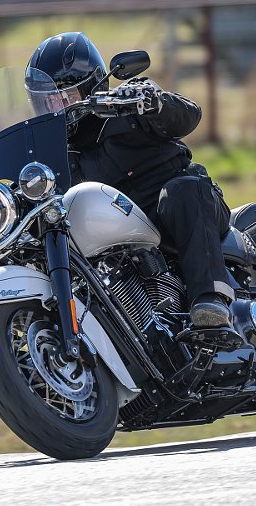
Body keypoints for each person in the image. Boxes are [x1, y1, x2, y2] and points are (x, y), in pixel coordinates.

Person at [25, 32, 233, 328]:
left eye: (65, 97)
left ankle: (210, 299)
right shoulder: (53, 157)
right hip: (121, 239)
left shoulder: (130, 102)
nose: (57, 109)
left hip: (179, 212)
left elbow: (190, 116)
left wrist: (155, 102)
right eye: (47, 102)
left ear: (91, 85)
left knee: (183, 189)